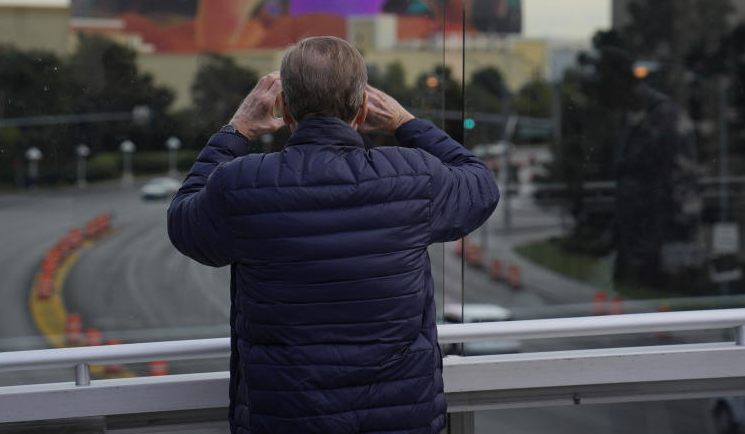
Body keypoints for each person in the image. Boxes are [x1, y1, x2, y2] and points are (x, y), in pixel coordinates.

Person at [168, 36, 499, 434]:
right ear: (361, 109)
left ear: (285, 109)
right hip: (401, 422)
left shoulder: (243, 184)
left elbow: (184, 223)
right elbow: (481, 185)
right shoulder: (414, 176)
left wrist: (235, 131)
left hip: (285, 419)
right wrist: (406, 124)